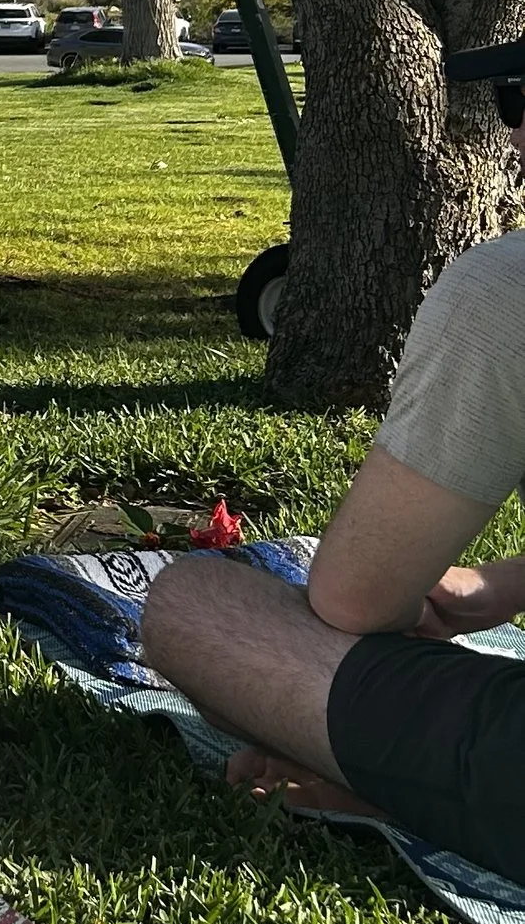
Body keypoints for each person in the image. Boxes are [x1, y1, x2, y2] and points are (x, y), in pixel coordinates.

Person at [141, 220, 525, 886]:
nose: (515, 129)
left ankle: (391, 784)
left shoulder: (505, 287)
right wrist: (501, 586)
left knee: (193, 604)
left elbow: (357, 597)